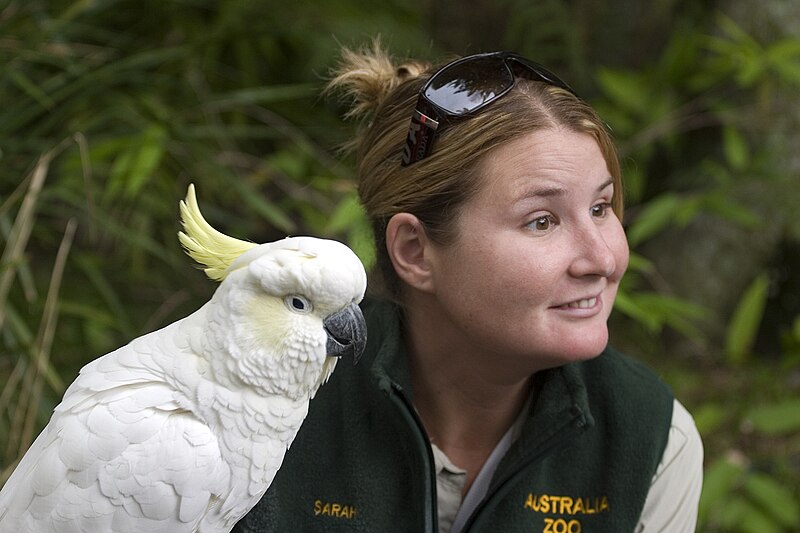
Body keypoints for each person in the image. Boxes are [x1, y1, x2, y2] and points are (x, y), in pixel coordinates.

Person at [233, 42, 703, 533]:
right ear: (415, 251)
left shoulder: (653, 439)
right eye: (542, 222)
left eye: (600, 208)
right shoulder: (250, 410)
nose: (603, 259)